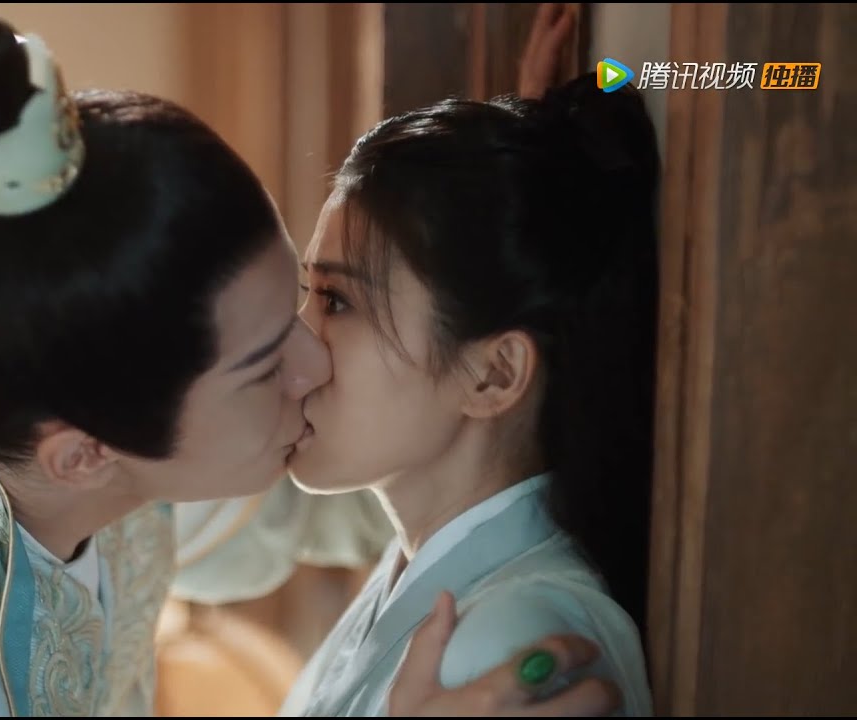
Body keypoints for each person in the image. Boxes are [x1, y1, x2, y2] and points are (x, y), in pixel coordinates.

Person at [0, 14, 615, 718]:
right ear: (85, 458)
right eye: (268, 360)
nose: (315, 359)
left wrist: (480, 246)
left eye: (315, 302)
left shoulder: (48, 379)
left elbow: (344, 484)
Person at [174, 69, 660, 717]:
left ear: (493, 374)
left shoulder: (512, 639)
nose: (295, 350)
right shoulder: (418, 574)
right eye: (311, 294)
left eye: (337, 302)